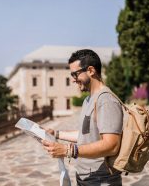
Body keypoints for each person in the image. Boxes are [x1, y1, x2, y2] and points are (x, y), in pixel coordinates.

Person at [42, 49, 123, 186]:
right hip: (86, 177)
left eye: (75, 74)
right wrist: (56, 133)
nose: (73, 79)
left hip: (101, 180)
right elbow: (87, 136)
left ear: (91, 70)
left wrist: (69, 150)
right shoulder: (89, 100)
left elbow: (112, 145)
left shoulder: (106, 100)